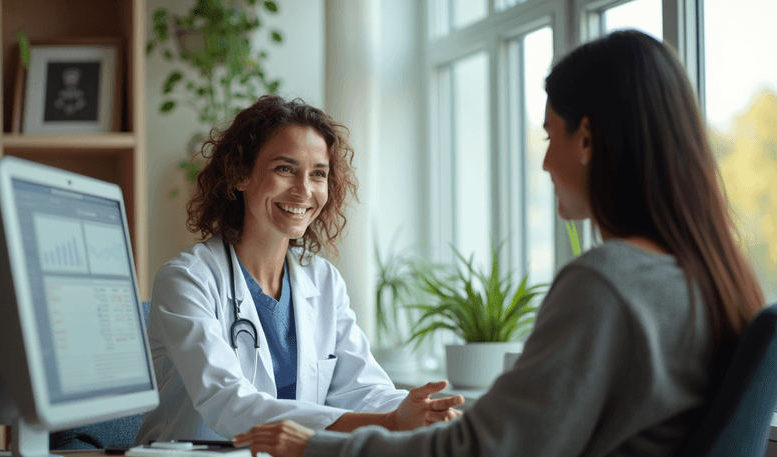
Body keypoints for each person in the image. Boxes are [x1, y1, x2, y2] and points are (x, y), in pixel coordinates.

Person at [231, 30, 766, 457]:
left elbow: (481, 450)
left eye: (549, 135)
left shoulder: (607, 283)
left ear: (586, 140)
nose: (545, 161)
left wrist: (317, 448)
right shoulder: (710, 276)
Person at [135, 95, 463, 444]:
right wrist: (392, 423)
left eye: (318, 174)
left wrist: (420, 413)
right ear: (241, 175)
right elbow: (230, 406)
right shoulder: (187, 280)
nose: (303, 190)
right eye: (285, 169)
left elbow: (364, 389)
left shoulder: (323, 281)